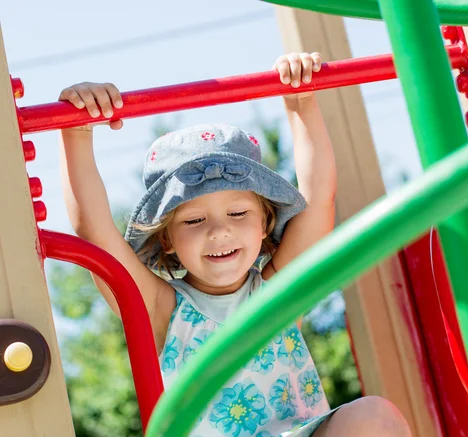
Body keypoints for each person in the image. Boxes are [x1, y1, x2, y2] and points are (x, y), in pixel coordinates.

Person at [59, 52, 411, 437]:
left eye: (238, 214)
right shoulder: (161, 309)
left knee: (374, 415)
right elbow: (95, 233)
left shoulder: (277, 295)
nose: (219, 232)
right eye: (194, 220)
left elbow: (319, 197)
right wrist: (76, 133)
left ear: (265, 224)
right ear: (168, 240)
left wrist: (301, 103)